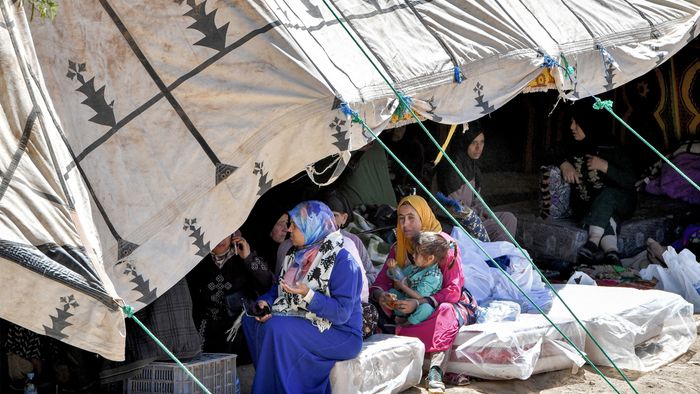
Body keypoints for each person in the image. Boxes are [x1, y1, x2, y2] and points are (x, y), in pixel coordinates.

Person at [242, 201, 363, 393]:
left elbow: (342, 313)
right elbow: (279, 288)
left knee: (277, 327)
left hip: (342, 333)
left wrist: (309, 295)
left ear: (313, 227)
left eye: (295, 225)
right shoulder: (296, 255)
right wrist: (266, 301)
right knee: (251, 321)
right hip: (306, 318)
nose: (289, 229)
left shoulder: (343, 261)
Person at [370, 195, 472, 393]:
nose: (405, 224)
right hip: (404, 305)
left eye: (411, 217)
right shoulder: (398, 248)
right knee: (372, 308)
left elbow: (453, 290)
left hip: (440, 302)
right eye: (401, 218)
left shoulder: (445, 247)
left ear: (423, 217)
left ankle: (435, 370)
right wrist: (382, 296)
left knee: (445, 312)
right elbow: (381, 282)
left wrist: (419, 303)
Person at [556, 103, 637, 264]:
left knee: (607, 196)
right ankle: (612, 253)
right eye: (571, 122)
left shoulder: (611, 147)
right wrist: (564, 163)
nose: (572, 127)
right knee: (607, 215)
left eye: (577, 123)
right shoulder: (572, 145)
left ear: (588, 124)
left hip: (621, 201)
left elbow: (630, 182)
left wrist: (605, 167)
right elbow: (551, 151)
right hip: (593, 205)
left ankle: (593, 242)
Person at [186, 230, 274, 364]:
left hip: (239, 328)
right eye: (215, 234)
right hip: (206, 328)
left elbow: (269, 284)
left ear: (233, 235)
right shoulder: (197, 261)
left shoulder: (243, 256)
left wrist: (248, 258)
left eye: (225, 233)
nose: (220, 239)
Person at [436, 121, 518, 242]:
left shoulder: (473, 168)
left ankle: (500, 254)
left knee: (508, 218)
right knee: (501, 227)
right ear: (465, 143)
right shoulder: (452, 168)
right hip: (458, 223)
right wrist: (478, 216)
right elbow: (454, 208)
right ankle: (496, 257)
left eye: (482, 142)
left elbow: (476, 201)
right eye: (474, 143)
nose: (478, 148)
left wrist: (485, 213)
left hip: (474, 217)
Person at [386, 232, 446, 325]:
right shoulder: (416, 267)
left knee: (426, 309)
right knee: (392, 292)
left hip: (419, 304)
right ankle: (400, 316)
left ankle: (406, 324)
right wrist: (393, 268)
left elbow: (420, 296)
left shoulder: (434, 276)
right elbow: (401, 275)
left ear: (430, 258)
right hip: (408, 299)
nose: (413, 255)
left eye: (417, 254)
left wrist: (402, 286)